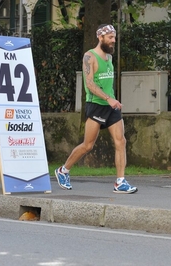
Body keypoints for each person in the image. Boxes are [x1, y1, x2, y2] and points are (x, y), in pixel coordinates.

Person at [54, 24, 138, 194]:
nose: (113, 41)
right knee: (88, 145)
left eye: (114, 37)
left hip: (111, 107)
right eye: (110, 38)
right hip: (97, 105)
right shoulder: (89, 57)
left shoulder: (109, 57)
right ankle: (63, 170)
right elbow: (89, 84)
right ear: (100, 37)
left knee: (121, 141)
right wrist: (108, 98)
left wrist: (111, 100)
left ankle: (120, 182)